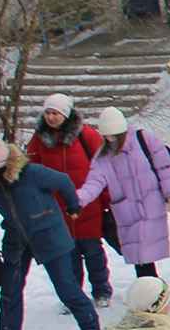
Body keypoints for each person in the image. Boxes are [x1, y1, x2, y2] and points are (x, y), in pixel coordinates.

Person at [0, 135, 101, 330]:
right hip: (16, 240)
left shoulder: (32, 173)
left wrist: (73, 205)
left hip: (50, 235)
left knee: (66, 286)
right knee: (10, 290)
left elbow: (63, 181)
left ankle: (91, 327)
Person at [69, 106, 170, 282]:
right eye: (106, 135)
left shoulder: (144, 139)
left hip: (150, 205)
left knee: (146, 254)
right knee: (140, 257)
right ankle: (150, 290)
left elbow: (165, 167)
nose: (109, 138)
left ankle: (151, 290)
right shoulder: (103, 156)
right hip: (127, 210)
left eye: (113, 134)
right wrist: (79, 199)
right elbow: (94, 182)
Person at [25, 94, 114, 304]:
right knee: (68, 254)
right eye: (47, 112)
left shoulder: (88, 135)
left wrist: (108, 200)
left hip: (87, 204)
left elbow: (105, 168)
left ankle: (101, 291)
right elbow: (30, 170)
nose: (50, 117)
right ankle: (74, 296)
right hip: (56, 207)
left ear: (65, 114)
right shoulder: (39, 139)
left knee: (93, 252)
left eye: (55, 113)